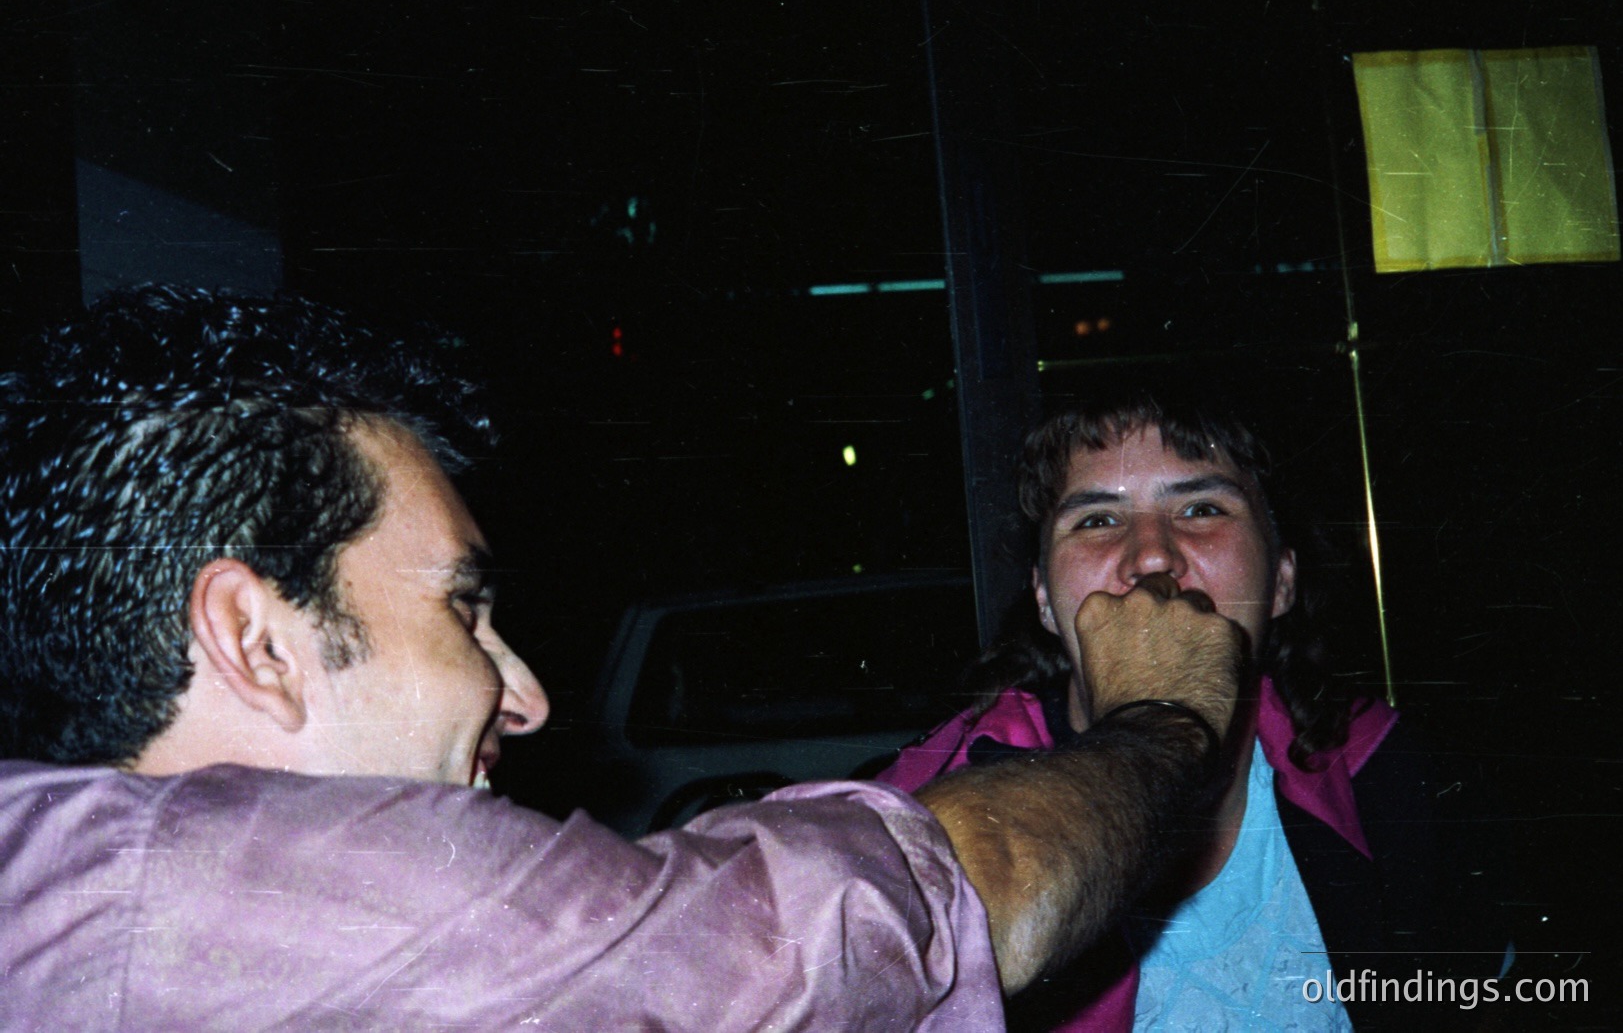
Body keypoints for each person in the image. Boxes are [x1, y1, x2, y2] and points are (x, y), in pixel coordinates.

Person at [0, 285, 1243, 1029]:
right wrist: (1167, 718)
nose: (529, 698)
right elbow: (859, 918)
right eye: (464, 611)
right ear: (253, 639)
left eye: (1202, 507)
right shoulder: (258, 910)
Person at [879, 391, 1513, 1030]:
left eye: (1202, 509)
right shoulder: (923, 799)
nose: (1153, 556)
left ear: (1281, 580)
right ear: (1043, 598)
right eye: (1097, 520)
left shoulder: (1394, 777)